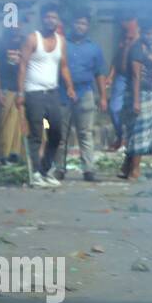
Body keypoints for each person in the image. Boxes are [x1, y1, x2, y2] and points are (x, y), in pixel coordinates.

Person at [16, 4, 75, 188]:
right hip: (34, 95)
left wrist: (70, 87)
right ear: (42, 19)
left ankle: (45, 169)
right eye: (48, 17)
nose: (51, 20)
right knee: (36, 134)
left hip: (52, 95)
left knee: (55, 132)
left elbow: (64, 66)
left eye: (54, 17)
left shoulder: (61, 41)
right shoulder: (33, 39)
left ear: (58, 21)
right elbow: (23, 65)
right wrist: (20, 93)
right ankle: (34, 173)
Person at [58, 10, 108, 182]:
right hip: (63, 93)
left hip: (85, 93)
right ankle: (59, 168)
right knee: (60, 134)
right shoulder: (62, 44)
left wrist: (102, 97)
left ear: (88, 26)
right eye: (78, 22)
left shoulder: (94, 48)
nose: (80, 26)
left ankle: (88, 170)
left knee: (85, 133)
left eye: (84, 23)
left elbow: (100, 73)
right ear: (72, 24)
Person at [121, 21, 152, 182]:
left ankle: (126, 167)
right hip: (139, 94)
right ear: (142, 33)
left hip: (149, 93)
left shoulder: (150, 48)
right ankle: (134, 170)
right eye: (148, 33)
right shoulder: (138, 48)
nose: (151, 37)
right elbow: (136, 76)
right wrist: (137, 101)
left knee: (143, 132)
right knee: (140, 134)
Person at [0, 24, 26, 163]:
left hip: (21, 90)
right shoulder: (0, 42)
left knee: (18, 124)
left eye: (19, 23)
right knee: (4, 123)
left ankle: (14, 155)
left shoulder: (25, 41)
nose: (16, 27)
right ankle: (1, 155)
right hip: (5, 89)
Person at [105, 15, 139, 150]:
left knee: (133, 110)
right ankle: (120, 137)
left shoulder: (141, 40)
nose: (124, 26)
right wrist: (110, 76)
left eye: (127, 23)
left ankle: (131, 140)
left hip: (136, 78)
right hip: (121, 76)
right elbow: (116, 58)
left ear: (134, 23)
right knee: (114, 108)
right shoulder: (122, 37)